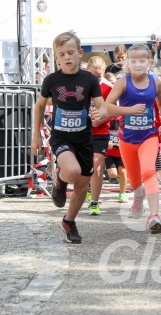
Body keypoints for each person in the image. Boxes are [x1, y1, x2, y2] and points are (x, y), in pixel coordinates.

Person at [31, 31, 106, 244]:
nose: (67, 57)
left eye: (71, 52)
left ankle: (69, 221)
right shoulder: (52, 80)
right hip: (61, 138)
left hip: (84, 139)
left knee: (82, 187)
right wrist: (35, 135)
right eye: (61, 54)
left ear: (80, 53)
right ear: (56, 57)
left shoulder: (89, 79)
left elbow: (100, 105)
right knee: (72, 172)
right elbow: (39, 105)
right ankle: (60, 180)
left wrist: (100, 112)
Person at [103, 44, 161, 234]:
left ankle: (154, 216)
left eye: (142, 60)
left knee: (149, 171)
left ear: (149, 62)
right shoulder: (122, 82)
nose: (138, 64)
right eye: (134, 61)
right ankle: (138, 196)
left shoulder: (155, 81)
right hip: (127, 139)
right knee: (134, 180)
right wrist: (129, 110)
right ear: (128, 63)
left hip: (149, 135)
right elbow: (108, 107)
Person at [86, 56, 114, 215]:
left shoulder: (108, 88)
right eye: (93, 76)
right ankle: (88, 186)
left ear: (104, 72)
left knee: (97, 167)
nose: (97, 79)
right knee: (81, 169)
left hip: (100, 132)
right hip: (82, 131)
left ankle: (94, 203)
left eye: (99, 76)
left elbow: (114, 111)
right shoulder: (81, 84)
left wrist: (102, 119)